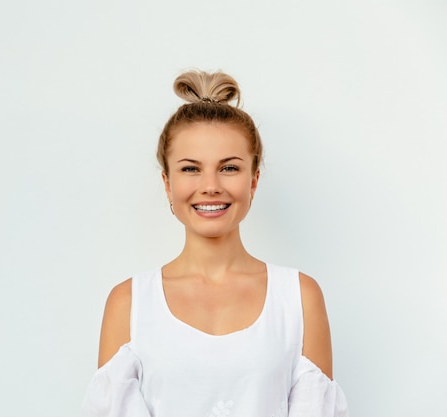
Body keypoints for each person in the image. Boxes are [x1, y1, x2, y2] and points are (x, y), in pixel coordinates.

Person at [81, 70, 348, 417]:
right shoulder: (129, 303)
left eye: (229, 168)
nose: (210, 186)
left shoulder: (299, 297)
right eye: (191, 169)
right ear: (167, 182)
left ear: (253, 181)